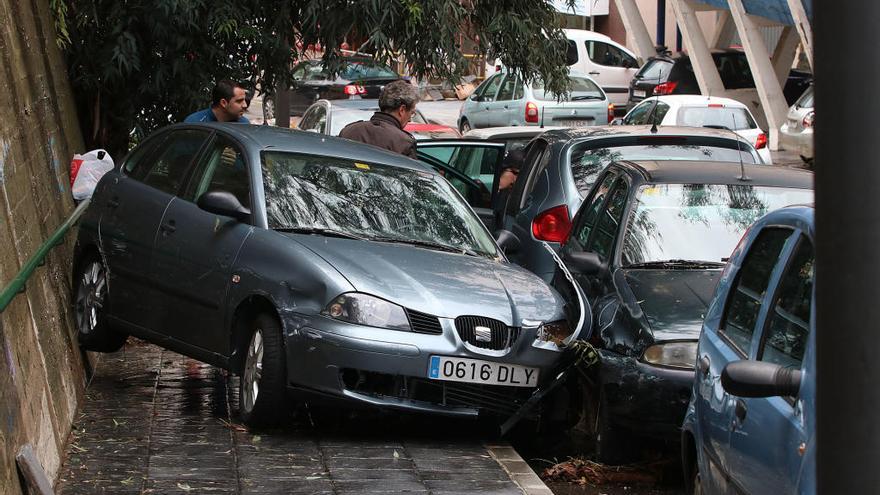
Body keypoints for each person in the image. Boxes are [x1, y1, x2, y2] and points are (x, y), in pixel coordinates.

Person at [338, 80, 419, 158]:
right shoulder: (404, 142)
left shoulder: (348, 131)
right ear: (402, 110)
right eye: (411, 113)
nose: (410, 120)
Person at [184, 80, 250, 123]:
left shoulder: (244, 124)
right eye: (239, 101)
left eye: (244, 100)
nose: (245, 105)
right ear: (223, 103)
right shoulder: (195, 123)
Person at [493, 149, 525, 227]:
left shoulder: (521, 197)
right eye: (515, 173)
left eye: (518, 174)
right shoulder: (502, 192)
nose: (515, 179)